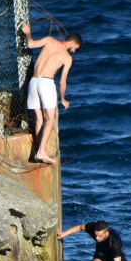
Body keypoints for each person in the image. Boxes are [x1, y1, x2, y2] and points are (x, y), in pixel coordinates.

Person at [21, 23, 82, 164]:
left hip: (33, 82)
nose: (73, 51)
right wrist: (63, 99)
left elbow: (30, 44)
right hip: (46, 84)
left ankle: (40, 150)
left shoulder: (49, 40)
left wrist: (28, 32)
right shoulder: (67, 58)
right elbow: (62, 82)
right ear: (72, 42)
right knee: (51, 120)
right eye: (74, 48)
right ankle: (42, 152)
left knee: (39, 119)